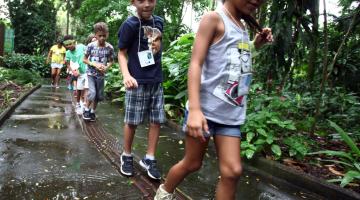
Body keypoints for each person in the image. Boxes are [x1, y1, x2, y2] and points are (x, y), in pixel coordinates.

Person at [154, 0, 273, 199]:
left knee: (232, 171)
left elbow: (234, 58)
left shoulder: (242, 26)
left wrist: (255, 45)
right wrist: (194, 109)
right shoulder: (214, 19)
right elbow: (195, 63)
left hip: (230, 114)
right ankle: (164, 192)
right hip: (204, 112)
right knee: (192, 163)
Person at [117, 0, 165, 180]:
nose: (147, 4)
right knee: (132, 121)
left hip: (156, 80)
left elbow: (156, 47)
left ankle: (149, 158)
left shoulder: (159, 22)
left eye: (151, 0)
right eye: (142, 0)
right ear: (133, 2)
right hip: (136, 81)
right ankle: (127, 155)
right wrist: (126, 76)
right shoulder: (130, 25)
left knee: (156, 120)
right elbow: (121, 53)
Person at [83, 22, 114, 121]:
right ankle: (86, 110)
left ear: (107, 34)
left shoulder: (109, 48)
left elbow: (111, 61)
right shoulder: (91, 46)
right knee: (92, 92)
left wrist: (106, 67)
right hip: (91, 74)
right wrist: (94, 64)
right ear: (95, 35)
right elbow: (84, 59)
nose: (102, 38)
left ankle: (92, 112)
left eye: (104, 36)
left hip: (101, 75)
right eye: (99, 36)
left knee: (98, 95)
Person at [63, 35, 87, 111]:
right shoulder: (68, 53)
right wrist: (73, 71)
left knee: (86, 88)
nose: (69, 46)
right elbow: (67, 63)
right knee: (79, 89)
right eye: (66, 45)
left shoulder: (82, 47)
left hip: (88, 70)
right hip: (79, 72)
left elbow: (89, 54)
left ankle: (85, 104)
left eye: (70, 44)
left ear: (74, 42)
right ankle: (78, 103)